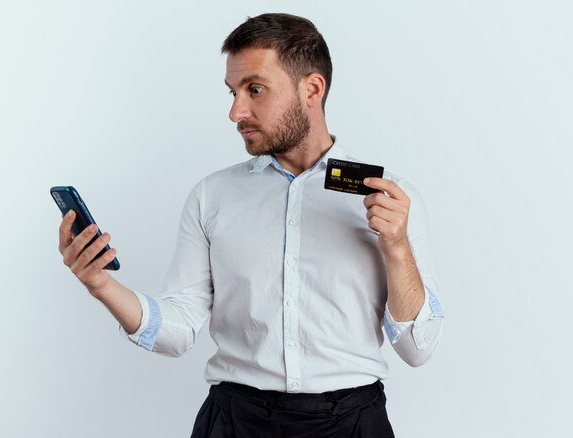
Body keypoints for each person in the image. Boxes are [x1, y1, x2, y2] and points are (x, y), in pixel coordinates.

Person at [58, 12, 444, 438]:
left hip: (351, 423)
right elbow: (177, 332)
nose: (235, 111)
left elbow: (417, 349)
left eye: (254, 90)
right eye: (232, 91)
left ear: (312, 89)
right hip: (233, 422)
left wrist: (397, 247)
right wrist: (101, 285)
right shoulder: (212, 196)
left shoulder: (390, 199)